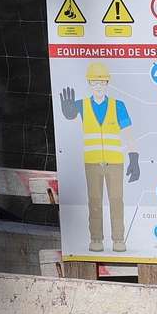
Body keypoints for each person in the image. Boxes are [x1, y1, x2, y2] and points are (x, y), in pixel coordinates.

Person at [59, 62, 140, 253]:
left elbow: (128, 134)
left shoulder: (118, 106)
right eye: (95, 83)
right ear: (89, 83)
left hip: (115, 163)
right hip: (93, 162)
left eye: (101, 82)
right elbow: (70, 115)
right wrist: (67, 111)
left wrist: (134, 159)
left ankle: (118, 239)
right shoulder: (82, 105)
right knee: (94, 200)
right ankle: (96, 239)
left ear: (107, 83)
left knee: (116, 200)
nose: (98, 86)